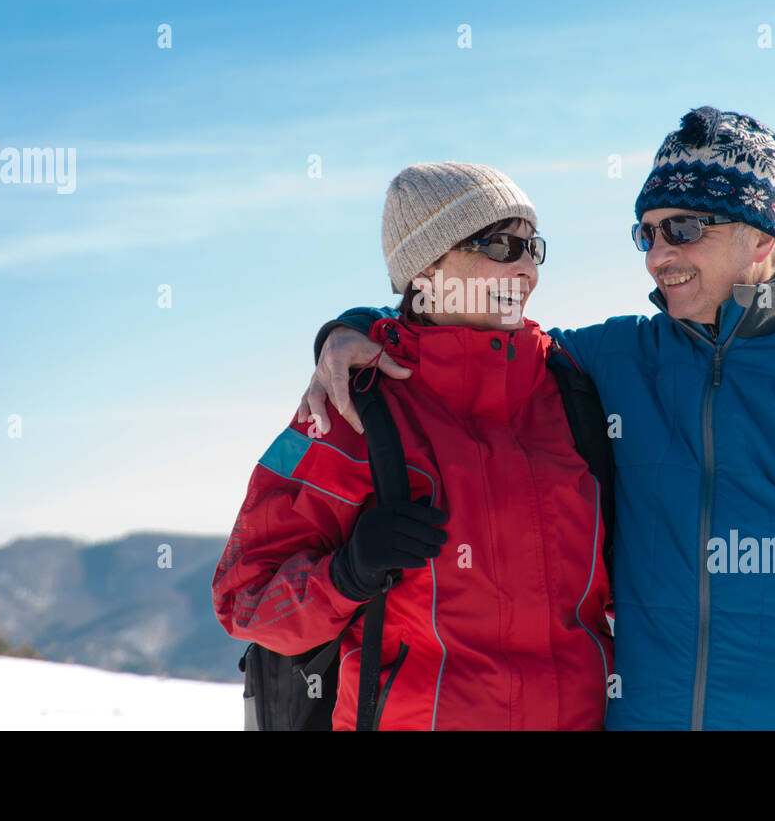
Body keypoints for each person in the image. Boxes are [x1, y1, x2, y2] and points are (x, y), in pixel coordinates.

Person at [302, 108, 775, 730]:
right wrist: (352, 330)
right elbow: (468, 340)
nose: (657, 256)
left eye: (684, 229)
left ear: (762, 234)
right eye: (646, 233)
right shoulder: (613, 359)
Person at [212, 162, 613, 730]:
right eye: (499, 245)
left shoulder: (574, 388)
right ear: (426, 270)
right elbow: (243, 598)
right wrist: (347, 574)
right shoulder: (350, 411)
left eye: (533, 246)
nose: (525, 269)